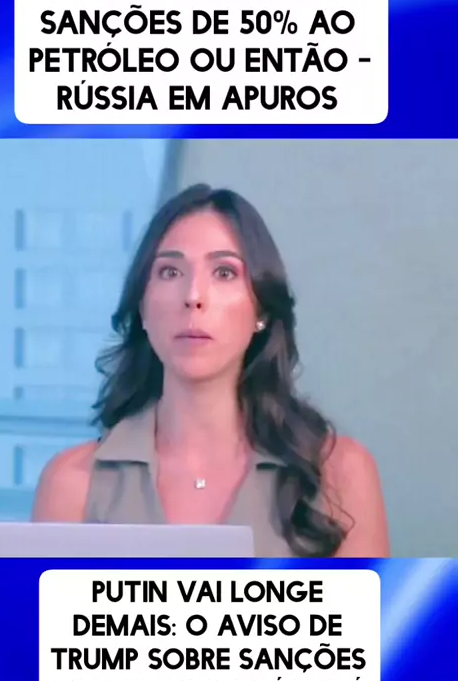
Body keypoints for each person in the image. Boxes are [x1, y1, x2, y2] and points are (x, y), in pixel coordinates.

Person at [32, 184, 389, 558]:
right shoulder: (72, 483)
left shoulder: (339, 474)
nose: (193, 296)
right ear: (142, 307)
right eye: (170, 271)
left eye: (224, 272)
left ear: (262, 310)